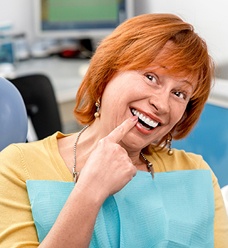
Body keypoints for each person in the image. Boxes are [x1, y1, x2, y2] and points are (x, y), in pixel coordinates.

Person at [0, 13, 227, 247]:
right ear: (106, 75)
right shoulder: (16, 167)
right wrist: (90, 191)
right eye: (151, 77)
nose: (162, 104)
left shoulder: (197, 174)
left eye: (179, 94)